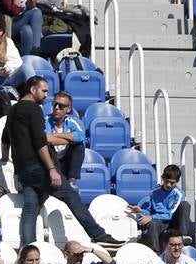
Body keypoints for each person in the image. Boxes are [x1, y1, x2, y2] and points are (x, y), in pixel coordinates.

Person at [7, 76, 121, 250]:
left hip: (23, 171)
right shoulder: (34, 110)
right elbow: (40, 142)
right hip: (39, 168)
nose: (47, 96)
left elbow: (5, 139)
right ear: (32, 90)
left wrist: (3, 158)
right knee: (71, 197)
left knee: (31, 208)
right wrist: (52, 169)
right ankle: (99, 235)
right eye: (44, 91)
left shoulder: (12, 110)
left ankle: (27, 249)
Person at [128, 164, 192, 251]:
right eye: (166, 181)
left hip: (174, 222)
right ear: (162, 178)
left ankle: (183, 236)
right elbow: (150, 211)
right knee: (152, 223)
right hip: (161, 223)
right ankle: (156, 252)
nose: (168, 185)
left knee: (185, 205)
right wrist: (141, 211)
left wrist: (152, 217)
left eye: (172, 182)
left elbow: (170, 215)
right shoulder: (154, 193)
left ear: (177, 181)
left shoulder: (179, 194)